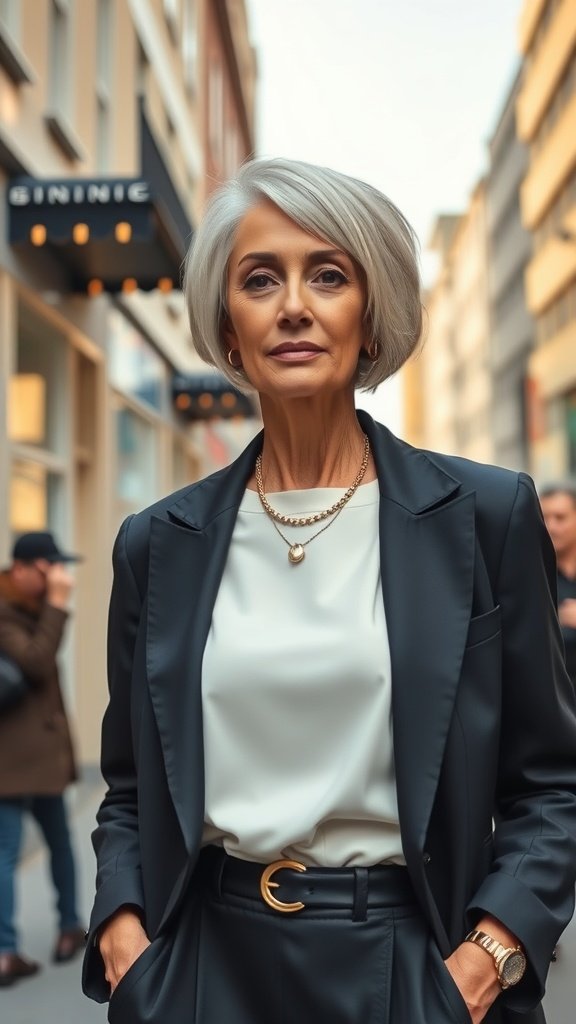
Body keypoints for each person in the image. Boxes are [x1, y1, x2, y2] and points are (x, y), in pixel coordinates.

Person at [82, 158, 576, 1024]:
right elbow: (129, 784)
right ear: (228, 328)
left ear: (370, 314)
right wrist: (126, 936)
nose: (294, 306)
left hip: (414, 965)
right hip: (202, 969)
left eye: (329, 275)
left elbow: (550, 782)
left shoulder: (486, 515)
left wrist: (488, 958)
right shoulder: (158, 545)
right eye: (260, 278)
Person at [0, 531, 86, 986]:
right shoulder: (4, 608)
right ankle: (5, 952)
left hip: (41, 756)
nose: (57, 575)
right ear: (20, 568)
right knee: (7, 853)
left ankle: (70, 927)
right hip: (11, 761)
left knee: (60, 843)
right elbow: (35, 663)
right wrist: (58, 605)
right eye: (47, 567)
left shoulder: (28, 607)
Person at [540, 481, 576, 688]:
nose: (551, 526)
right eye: (544, 518)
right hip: (555, 701)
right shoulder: (533, 573)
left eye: (560, 518)